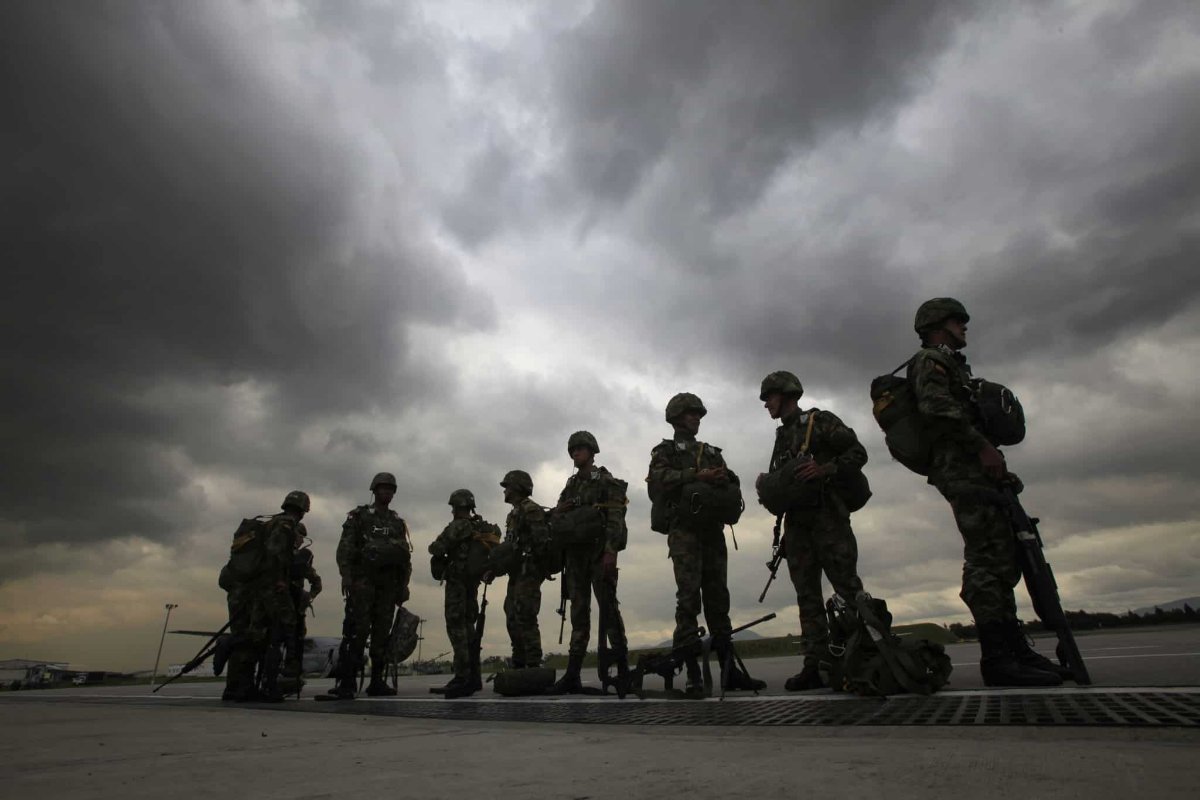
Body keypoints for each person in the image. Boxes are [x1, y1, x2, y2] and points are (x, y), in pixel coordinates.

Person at [909, 297, 1064, 686]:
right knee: (985, 561)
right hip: (962, 471)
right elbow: (936, 410)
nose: (964, 326)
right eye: (956, 321)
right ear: (936, 325)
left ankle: (1014, 649)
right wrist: (981, 448)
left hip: (977, 470)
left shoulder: (954, 366)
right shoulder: (930, 361)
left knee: (1002, 557)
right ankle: (997, 658)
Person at [756, 371, 871, 691]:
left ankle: (863, 656)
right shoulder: (781, 436)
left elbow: (858, 453)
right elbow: (785, 482)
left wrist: (825, 469)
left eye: (769, 397)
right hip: (797, 527)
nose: (766, 404)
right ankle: (815, 664)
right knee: (807, 597)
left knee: (847, 589)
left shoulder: (820, 422)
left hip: (829, 520)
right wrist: (768, 487)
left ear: (786, 394)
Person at [647, 393, 764, 696]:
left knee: (718, 599)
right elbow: (656, 480)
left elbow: (731, 479)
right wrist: (695, 475)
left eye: (699, 414)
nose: (696, 419)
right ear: (676, 418)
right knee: (688, 600)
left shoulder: (711, 452)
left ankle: (728, 671)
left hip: (712, 532)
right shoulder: (665, 451)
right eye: (691, 414)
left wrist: (723, 478)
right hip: (684, 533)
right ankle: (693, 673)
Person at [549, 431, 630, 693]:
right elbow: (558, 518)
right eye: (572, 450)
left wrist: (611, 552)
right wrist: (558, 513)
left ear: (592, 452)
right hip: (575, 558)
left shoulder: (605, 481)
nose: (575, 453)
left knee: (608, 610)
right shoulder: (570, 486)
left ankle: (623, 669)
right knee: (578, 613)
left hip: (598, 554)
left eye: (580, 449)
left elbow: (616, 517)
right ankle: (573, 673)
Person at [327, 472, 413, 699]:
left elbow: (405, 556)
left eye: (390, 489)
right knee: (357, 631)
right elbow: (345, 548)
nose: (387, 492)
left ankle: (376, 681)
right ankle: (347, 682)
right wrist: (346, 575)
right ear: (374, 490)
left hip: (388, 587)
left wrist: (404, 585)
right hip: (363, 583)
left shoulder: (397, 522)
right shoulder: (360, 516)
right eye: (383, 488)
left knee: (382, 633)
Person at [220, 490, 309, 702]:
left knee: (248, 636)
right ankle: (269, 686)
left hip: (247, 589)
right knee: (277, 633)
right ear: (303, 510)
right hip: (268, 589)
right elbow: (274, 552)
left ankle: (237, 687)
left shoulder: (268, 523)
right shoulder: (286, 525)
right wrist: (279, 580)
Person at [428, 489, 501, 699]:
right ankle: (474, 676)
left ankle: (462, 677)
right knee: (469, 628)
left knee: (456, 628)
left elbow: (436, 548)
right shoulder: (478, 526)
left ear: (456, 506)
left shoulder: (458, 526)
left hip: (457, 583)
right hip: (472, 583)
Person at [499, 469, 551, 669]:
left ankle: (533, 662)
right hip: (516, 572)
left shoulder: (530, 510)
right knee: (511, 614)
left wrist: (534, 568)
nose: (505, 491)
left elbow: (541, 542)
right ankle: (519, 660)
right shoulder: (513, 514)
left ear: (517, 488)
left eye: (507, 487)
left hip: (528, 571)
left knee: (526, 615)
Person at [278, 528, 322, 694]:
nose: (302, 540)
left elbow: (316, 582)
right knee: (293, 640)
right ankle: (289, 674)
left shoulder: (276, 555)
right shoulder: (294, 557)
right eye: (300, 536)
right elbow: (316, 582)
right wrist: (309, 596)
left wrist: (308, 596)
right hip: (288, 608)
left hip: (282, 606)